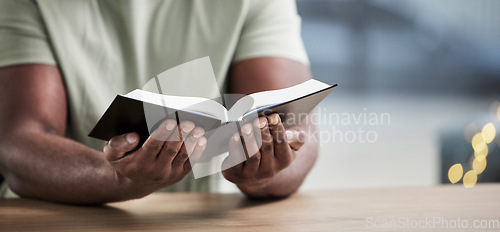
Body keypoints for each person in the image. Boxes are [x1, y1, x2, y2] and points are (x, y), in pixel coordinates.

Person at [0, 0, 318, 204]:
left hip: (203, 222)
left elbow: (296, 125)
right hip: (64, 218)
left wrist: (264, 172)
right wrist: (115, 177)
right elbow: (17, 142)